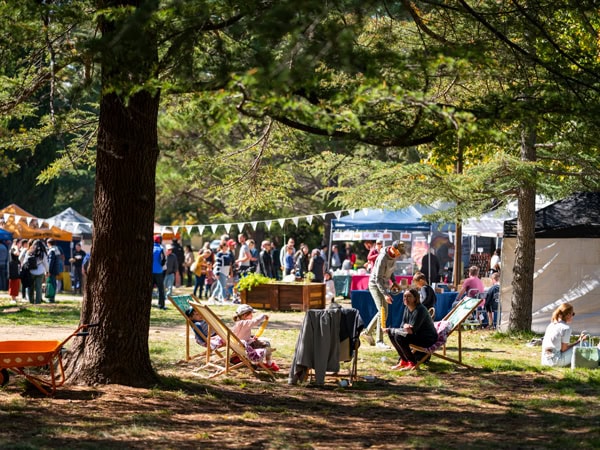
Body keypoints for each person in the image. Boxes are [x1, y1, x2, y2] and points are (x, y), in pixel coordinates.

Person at [362, 240, 405, 349]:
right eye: (398, 253)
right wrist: (385, 294)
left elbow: (391, 271)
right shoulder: (382, 258)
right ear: (393, 249)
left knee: (383, 311)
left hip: (383, 284)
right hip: (375, 285)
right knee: (382, 310)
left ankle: (367, 332)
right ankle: (379, 341)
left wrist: (394, 282)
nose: (399, 255)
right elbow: (377, 279)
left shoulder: (393, 256)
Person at [384, 288, 439, 370]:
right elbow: (403, 326)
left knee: (399, 336)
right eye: (404, 296)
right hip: (416, 335)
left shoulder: (420, 310)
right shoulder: (407, 308)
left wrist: (395, 329)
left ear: (415, 298)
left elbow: (411, 331)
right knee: (392, 334)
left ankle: (412, 362)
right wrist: (393, 330)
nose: (406, 299)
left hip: (427, 339)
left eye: (409, 296)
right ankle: (404, 361)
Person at [231, 304, 279, 371]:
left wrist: (251, 339)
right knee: (266, 344)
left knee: (258, 341)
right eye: (251, 314)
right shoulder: (244, 323)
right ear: (244, 315)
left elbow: (241, 337)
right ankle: (268, 364)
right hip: (245, 347)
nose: (252, 316)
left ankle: (261, 363)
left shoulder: (238, 323)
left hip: (239, 345)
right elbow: (255, 321)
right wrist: (263, 315)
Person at [541, 303, 588, 367]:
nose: (573, 316)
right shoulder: (566, 328)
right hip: (556, 361)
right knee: (584, 344)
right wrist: (579, 341)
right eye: (573, 314)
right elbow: (564, 349)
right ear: (568, 314)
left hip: (545, 360)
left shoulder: (551, 325)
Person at [26, 239, 49, 304]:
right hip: (40, 272)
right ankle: (38, 301)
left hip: (31, 271)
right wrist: (47, 271)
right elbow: (46, 263)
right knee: (38, 287)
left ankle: (31, 301)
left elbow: (25, 261)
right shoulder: (43, 253)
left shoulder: (29, 251)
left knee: (30, 287)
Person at [152, 235, 167, 309]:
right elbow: (164, 260)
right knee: (161, 289)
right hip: (159, 271)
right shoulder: (161, 248)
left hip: (150, 271)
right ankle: (161, 304)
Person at [46, 238, 61, 303]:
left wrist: (48, 270)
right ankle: (52, 297)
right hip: (56, 269)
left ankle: (51, 298)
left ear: (49, 243)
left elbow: (50, 261)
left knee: (51, 283)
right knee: (53, 283)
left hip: (51, 270)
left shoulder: (52, 250)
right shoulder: (57, 249)